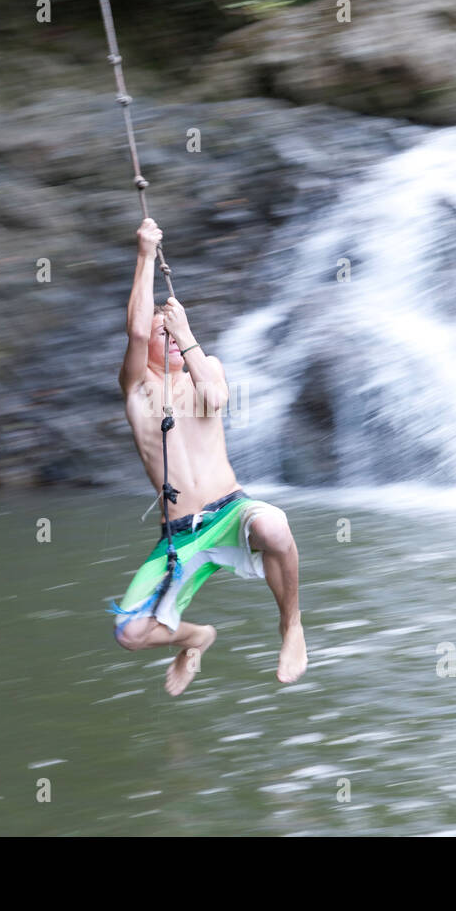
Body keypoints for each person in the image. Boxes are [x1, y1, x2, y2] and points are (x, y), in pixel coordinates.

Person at [112, 217, 307, 696]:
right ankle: (197, 636)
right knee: (130, 634)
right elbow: (136, 334)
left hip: (231, 509)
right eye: (164, 333)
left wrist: (186, 331)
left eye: (173, 330)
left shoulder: (204, 370)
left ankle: (291, 625)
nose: (169, 337)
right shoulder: (139, 390)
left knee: (275, 527)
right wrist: (144, 253)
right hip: (182, 537)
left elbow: (217, 399)